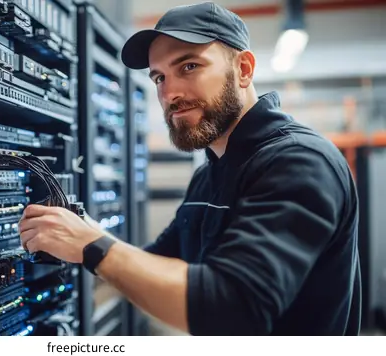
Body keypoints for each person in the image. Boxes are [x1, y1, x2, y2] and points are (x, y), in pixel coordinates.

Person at [18, 2, 361, 336]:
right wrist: (81, 231)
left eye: (189, 67)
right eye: (159, 78)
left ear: (243, 69)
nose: (170, 94)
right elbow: (153, 262)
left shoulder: (298, 162)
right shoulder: (211, 172)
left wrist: (92, 246)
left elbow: (233, 308)